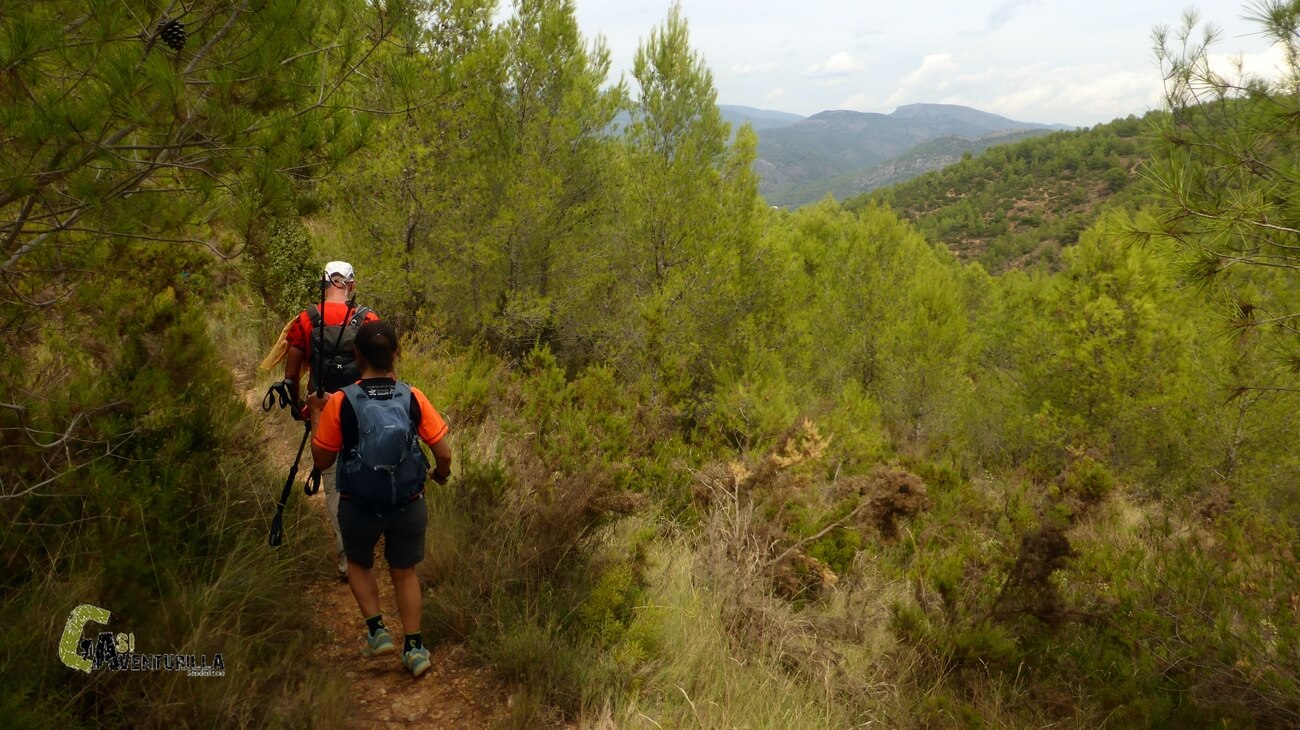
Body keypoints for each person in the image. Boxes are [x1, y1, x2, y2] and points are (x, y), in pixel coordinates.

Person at [306, 320, 452, 678]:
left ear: (356, 355)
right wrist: (440, 475)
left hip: (359, 501)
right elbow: (443, 453)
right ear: (396, 354)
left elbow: (322, 459)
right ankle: (415, 649)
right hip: (408, 499)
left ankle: (377, 631)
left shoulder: (341, 401)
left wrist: (315, 413)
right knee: (405, 572)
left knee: (359, 563)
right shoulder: (412, 396)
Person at [275, 261, 380, 581]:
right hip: (363, 412)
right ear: (351, 284)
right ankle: (367, 541)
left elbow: (291, 376)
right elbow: (383, 373)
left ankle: (348, 558)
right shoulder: (369, 320)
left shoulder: (306, 319)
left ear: (324, 284)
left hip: (323, 413)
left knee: (334, 486)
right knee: (367, 476)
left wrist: (299, 408)